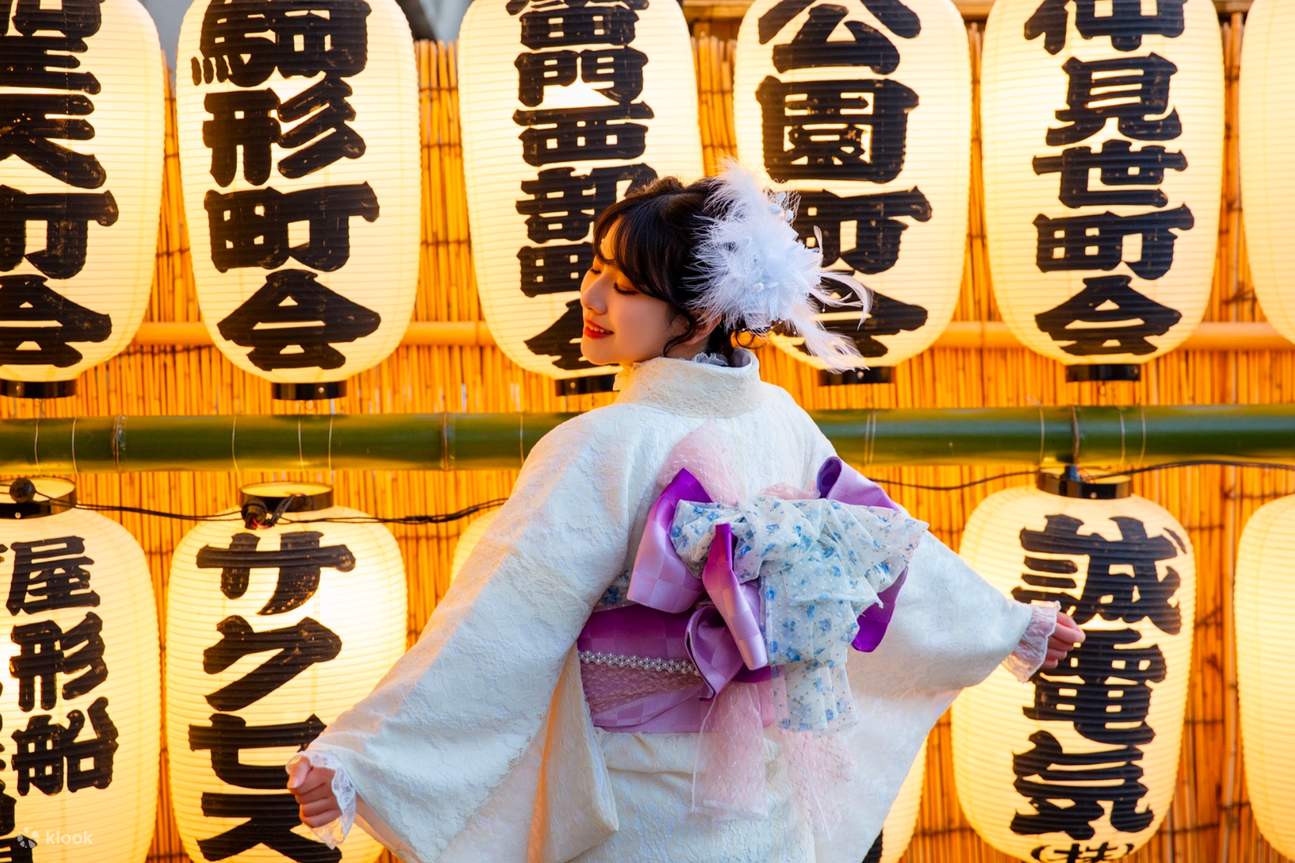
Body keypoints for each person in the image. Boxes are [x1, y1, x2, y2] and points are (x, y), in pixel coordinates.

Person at [284, 161, 1085, 863]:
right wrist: (1001, 623)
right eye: (596, 268)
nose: (590, 297)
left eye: (624, 287)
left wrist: (363, 758)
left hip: (637, 805)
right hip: (757, 797)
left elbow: (498, 626)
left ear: (698, 316)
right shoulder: (776, 416)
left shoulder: (604, 442)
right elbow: (894, 558)